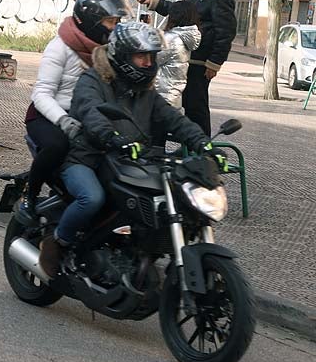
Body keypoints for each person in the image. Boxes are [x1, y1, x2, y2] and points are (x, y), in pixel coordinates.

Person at [37, 22, 225, 277]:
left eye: (151, 56)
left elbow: (174, 119)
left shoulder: (145, 92)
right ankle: (58, 241)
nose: (149, 63)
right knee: (91, 198)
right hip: (87, 157)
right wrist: (111, 137)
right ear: (123, 56)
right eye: (141, 56)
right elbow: (90, 112)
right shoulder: (92, 80)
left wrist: (205, 144)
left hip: (130, 161)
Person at [21, 0, 127, 215]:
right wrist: (63, 120)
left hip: (88, 114)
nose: (115, 27)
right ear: (91, 20)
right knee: (57, 146)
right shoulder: (59, 47)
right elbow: (41, 94)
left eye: (117, 21)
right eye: (110, 21)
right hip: (48, 115)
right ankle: (30, 192)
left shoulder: (107, 50)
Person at [135, 0, 236, 134]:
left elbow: (226, 32)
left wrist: (214, 63)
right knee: (189, 104)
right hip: (189, 58)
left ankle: (202, 150)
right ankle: (191, 146)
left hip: (200, 62)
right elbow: (179, 11)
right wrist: (153, 0)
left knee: (196, 107)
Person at [155, 1, 202, 111]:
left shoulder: (170, 39)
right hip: (174, 93)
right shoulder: (184, 37)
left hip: (161, 94)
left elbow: (151, 59)